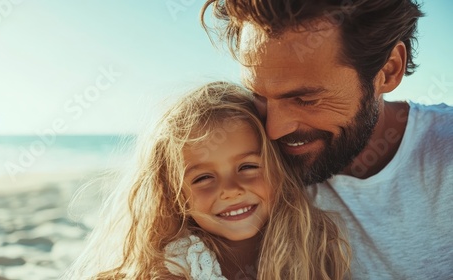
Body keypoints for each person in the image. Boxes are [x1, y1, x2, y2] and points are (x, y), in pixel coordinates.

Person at [201, 0, 453, 279]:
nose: (273, 131)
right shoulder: (244, 166)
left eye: (305, 100)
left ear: (388, 71)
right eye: (259, 96)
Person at [63, 81, 350, 279]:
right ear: (173, 192)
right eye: (203, 178)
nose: (230, 190)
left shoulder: (315, 242)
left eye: (248, 166)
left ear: (279, 168)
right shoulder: (178, 267)